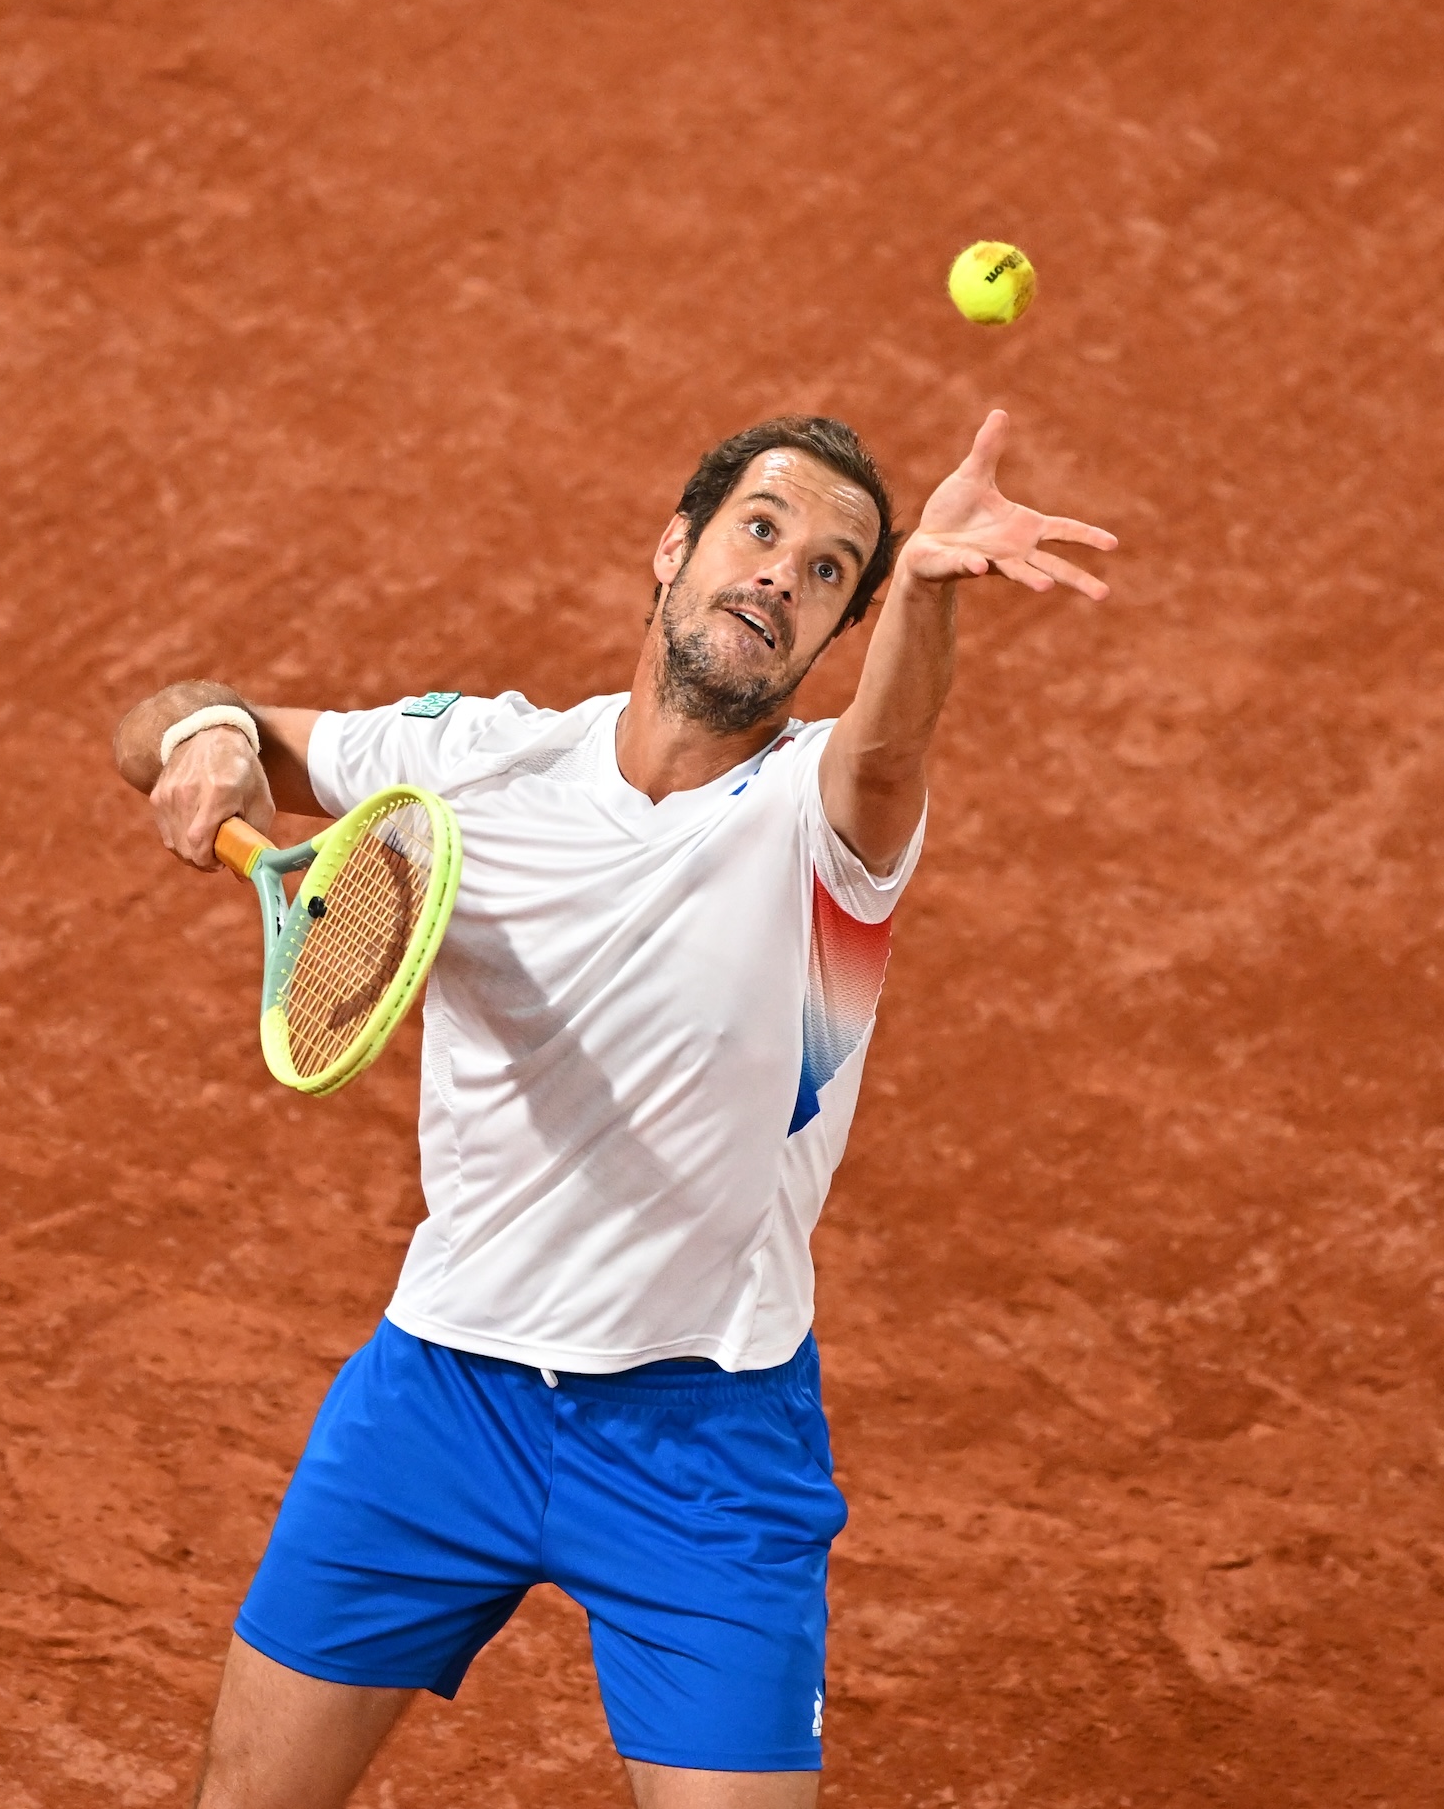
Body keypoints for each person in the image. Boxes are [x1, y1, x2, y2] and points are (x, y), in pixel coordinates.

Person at [110, 410, 1114, 1806]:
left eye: (830, 572)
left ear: (840, 634)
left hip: (704, 1444)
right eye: (760, 530)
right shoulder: (472, 762)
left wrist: (930, 598)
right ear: (675, 547)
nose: (780, 574)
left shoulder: (825, 827)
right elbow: (167, 722)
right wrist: (209, 738)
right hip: (439, 1399)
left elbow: (888, 753)